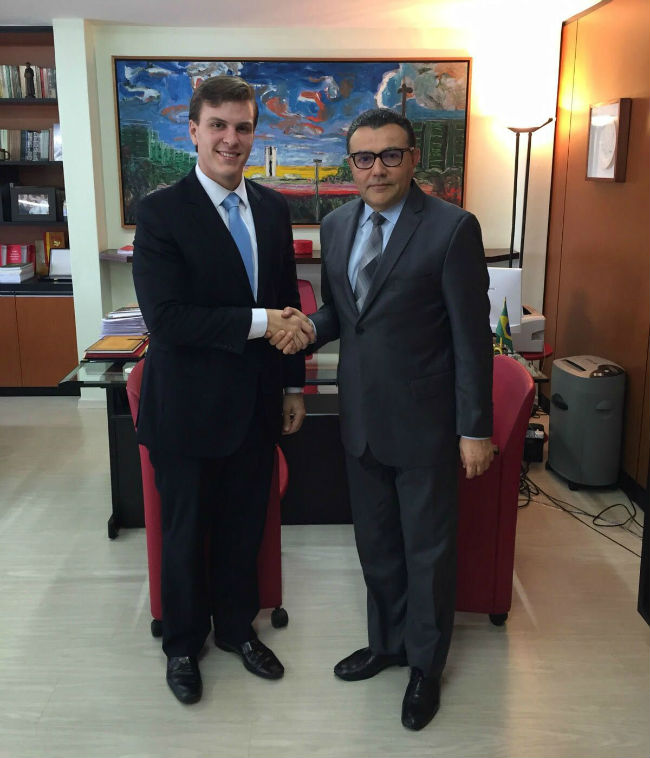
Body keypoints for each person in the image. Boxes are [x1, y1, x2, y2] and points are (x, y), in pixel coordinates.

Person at [274, 108, 494, 730]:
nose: (377, 169)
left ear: (413, 158)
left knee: (427, 552)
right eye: (364, 158)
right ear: (351, 164)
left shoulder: (452, 228)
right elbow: (344, 315)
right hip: (361, 418)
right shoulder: (338, 224)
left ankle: (425, 666)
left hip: (427, 424)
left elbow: (472, 338)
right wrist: (304, 330)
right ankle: (387, 644)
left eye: (391, 155)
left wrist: (475, 428)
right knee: (375, 545)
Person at [132, 75, 314, 705]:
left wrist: (293, 384)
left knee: (243, 529)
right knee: (185, 536)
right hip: (186, 409)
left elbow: (287, 300)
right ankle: (183, 646)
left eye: (242, 127)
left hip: (256, 404)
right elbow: (168, 320)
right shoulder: (160, 213)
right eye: (218, 125)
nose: (230, 139)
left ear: (254, 133)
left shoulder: (271, 208)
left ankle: (238, 630)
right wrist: (263, 323)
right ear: (193, 131)